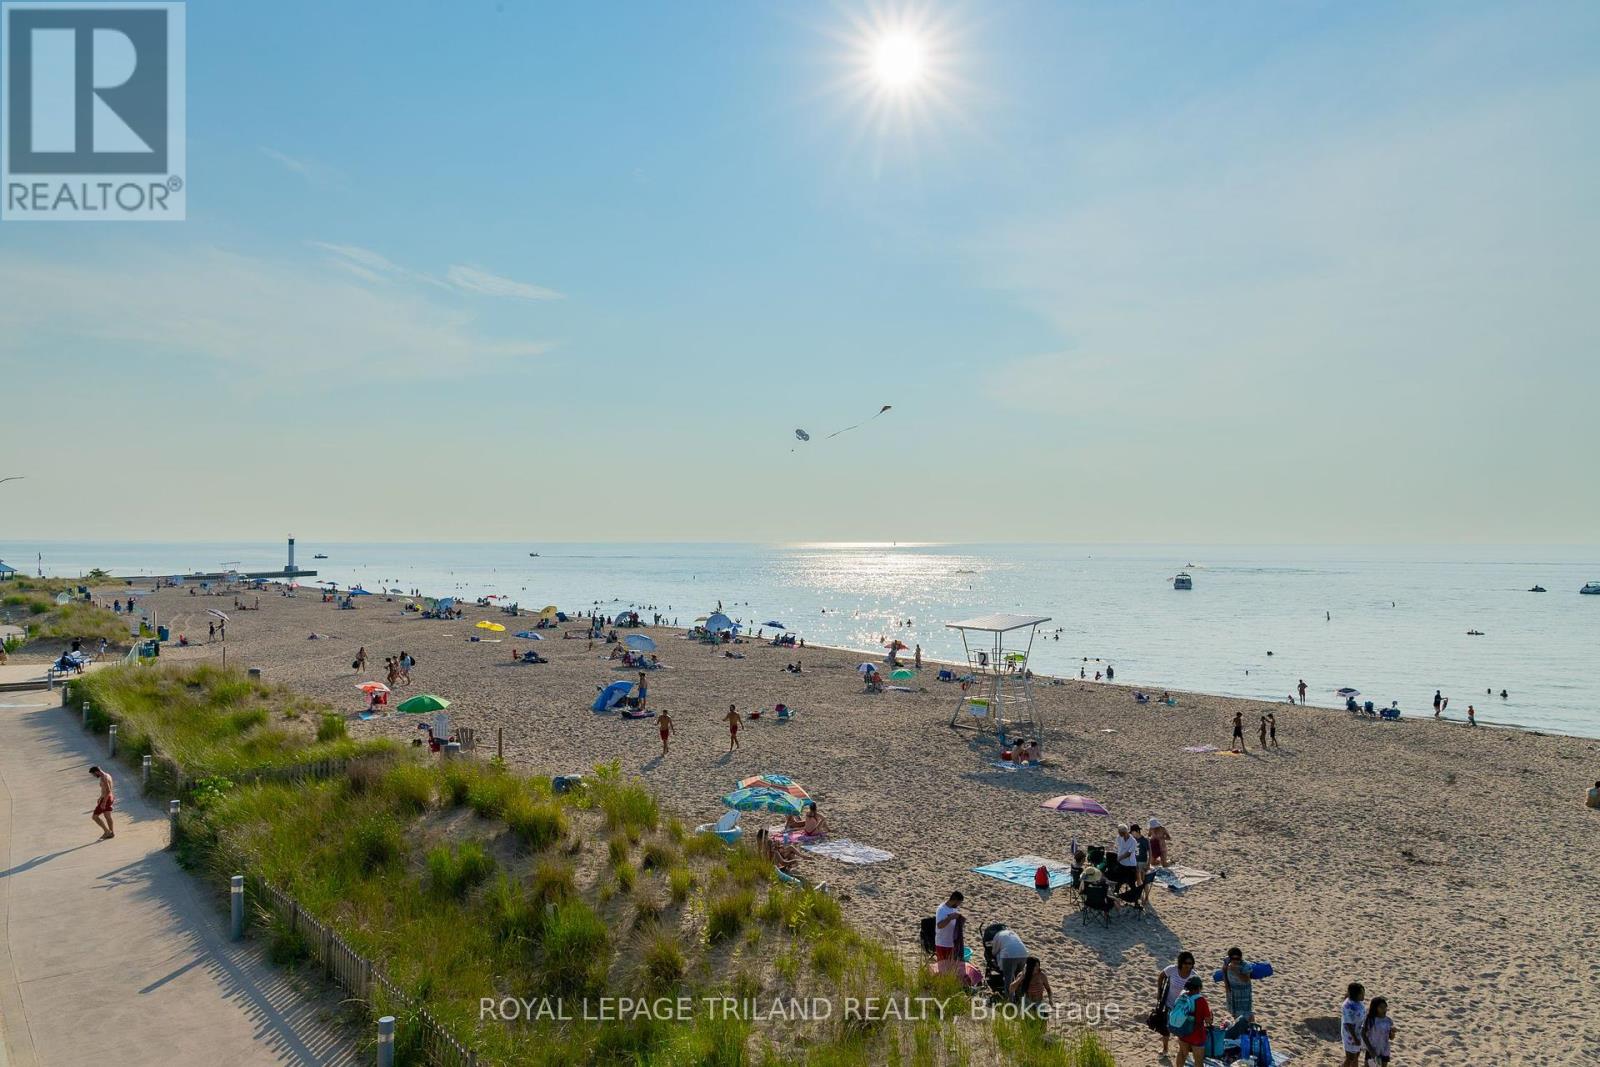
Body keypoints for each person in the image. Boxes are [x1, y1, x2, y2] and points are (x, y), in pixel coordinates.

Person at [1156, 951, 1196, 1057]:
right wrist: (1159, 992)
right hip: (1169, 1003)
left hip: (1182, 1007)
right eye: (1186, 963)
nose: (1188, 965)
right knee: (1165, 1028)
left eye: (1190, 963)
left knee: (1181, 1029)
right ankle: (1165, 1049)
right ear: (1181, 963)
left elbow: (1197, 992)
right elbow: (1161, 976)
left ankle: (1183, 1050)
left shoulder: (1193, 976)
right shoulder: (1172, 969)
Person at [1171, 974, 1211, 1067]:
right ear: (1199, 988)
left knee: (1182, 1053)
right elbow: (1208, 1021)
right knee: (1198, 1060)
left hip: (1183, 1031)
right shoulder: (1201, 1000)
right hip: (1197, 1035)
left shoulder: (1182, 996)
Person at [987, 926, 1029, 1000]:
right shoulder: (1012, 933)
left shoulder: (997, 936)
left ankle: (1009, 999)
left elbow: (994, 952)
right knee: (1019, 977)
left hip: (1009, 955)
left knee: (1008, 979)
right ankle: (1020, 997)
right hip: (1024, 954)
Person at [1223, 947, 1254, 1027]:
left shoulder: (1245, 965)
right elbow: (1224, 973)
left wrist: (1236, 971)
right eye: (1233, 958)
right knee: (1234, 1013)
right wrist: (1227, 987)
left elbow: (1246, 979)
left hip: (1244, 994)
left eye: (1238, 958)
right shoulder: (1227, 962)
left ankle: (1251, 1029)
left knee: (1247, 1014)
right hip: (1232, 992)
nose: (1236, 960)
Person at [933, 892, 964, 967]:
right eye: (958, 903)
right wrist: (949, 918)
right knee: (942, 967)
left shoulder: (954, 909)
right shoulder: (941, 909)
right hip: (942, 943)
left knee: (950, 968)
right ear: (955, 900)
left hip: (952, 943)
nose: (958, 905)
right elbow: (939, 925)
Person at [1362, 995, 1393, 1065]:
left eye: (1385, 1007)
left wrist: (1392, 1033)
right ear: (1375, 1008)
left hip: (1384, 1049)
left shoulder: (1388, 1021)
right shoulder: (1370, 1020)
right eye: (1381, 1008)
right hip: (1372, 1049)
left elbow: (1390, 1037)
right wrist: (1370, 1049)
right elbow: (1363, 1034)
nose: (1384, 1009)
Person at [1341, 983, 1367, 1067]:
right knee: (1350, 1058)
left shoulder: (1358, 1002)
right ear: (1355, 994)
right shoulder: (1348, 1006)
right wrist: (1355, 1038)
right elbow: (1348, 1024)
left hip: (1359, 1032)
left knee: (1356, 1056)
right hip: (1350, 1035)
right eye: (1361, 993)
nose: (1363, 995)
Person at [89, 765, 115, 840]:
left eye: (94, 774)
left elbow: (108, 790)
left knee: (95, 817)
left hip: (106, 799)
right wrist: (100, 797)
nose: (94, 776)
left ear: (97, 772)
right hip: (109, 797)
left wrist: (103, 802)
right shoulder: (107, 775)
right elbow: (105, 790)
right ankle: (111, 833)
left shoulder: (104, 778)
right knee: (107, 816)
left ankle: (107, 832)